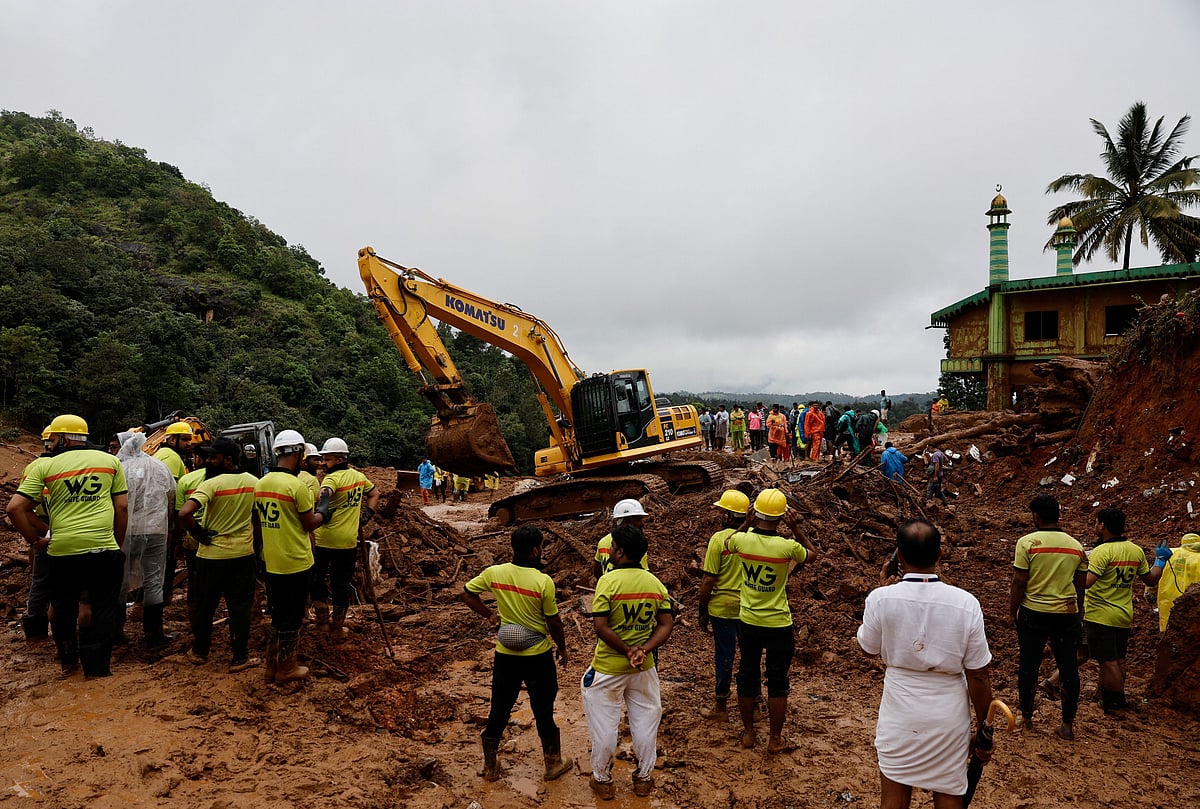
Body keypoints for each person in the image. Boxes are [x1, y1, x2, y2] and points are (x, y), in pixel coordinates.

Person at [857, 519, 993, 808]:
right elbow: (979, 675)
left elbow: (868, 649)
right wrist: (983, 728)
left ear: (899, 557)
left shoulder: (881, 599)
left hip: (900, 714)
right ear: (940, 554)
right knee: (949, 794)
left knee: (893, 798)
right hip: (948, 718)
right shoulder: (966, 603)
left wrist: (881, 594)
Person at [7, 414, 128, 677]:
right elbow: (122, 507)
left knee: (62, 609)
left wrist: (35, 541)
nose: (48, 444)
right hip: (103, 549)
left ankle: (69, 664)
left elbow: (15, 508)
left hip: (62, 552)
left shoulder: (44, 466)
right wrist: (115, 543)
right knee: (102, 609)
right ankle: (97, 670)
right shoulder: (110, 462)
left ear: (63, 438)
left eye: (51, 438)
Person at [461, 526, 573, 783]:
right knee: (543, 708)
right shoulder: (542, 581)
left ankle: (490, 767)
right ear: (535, 550)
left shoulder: (495, 573)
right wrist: (563, 648)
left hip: (506, 654)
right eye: (541, 548)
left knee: (499, 707)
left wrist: (489, 614)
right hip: (537, 656)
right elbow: (553, 621)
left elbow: (466, 593)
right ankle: (553, 764)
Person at [581, 524, 674, 800]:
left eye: (612, 547)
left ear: (619, 552)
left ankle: (603, 780)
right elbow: (666, 624)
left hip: (608, 667)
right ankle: (644, 778)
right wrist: (642, 650)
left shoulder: (607, 582)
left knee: (604, 727)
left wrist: (625, 650)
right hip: (643, 668)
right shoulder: (654, 583)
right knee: (646, 723)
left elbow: (601, 626)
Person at [726, 489, 816, 752]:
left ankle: (748, 734)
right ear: (782, 517)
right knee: (778, 681)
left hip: (749, 621)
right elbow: (811, 554)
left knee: (746, 676)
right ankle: (775, 739)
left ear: (757, 513)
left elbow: (728, 541)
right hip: (778, 623)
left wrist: (745, 522)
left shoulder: (743, 542)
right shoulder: (787, 547)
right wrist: (796, 528)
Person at [254, 429, 331, 684]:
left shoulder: (262, 483)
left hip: (273, 561)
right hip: (296, 561)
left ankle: (271, 666)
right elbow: (309, 524)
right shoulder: (297, 485)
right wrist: (323, 511)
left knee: (278, 614)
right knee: (293, 617)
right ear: (297, 453)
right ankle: (287, 668)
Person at [178, 438, 260, 671]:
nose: (207, 461)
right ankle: (240, 657)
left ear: (228, 459)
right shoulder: (253, 482)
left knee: (205, 606)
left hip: (211, 557)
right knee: (240, 607)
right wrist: (257, 547)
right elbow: (257, 518)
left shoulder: (211, 484)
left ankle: (200, 651)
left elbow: (185, 513)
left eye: (213, 457)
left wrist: (198, 532)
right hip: (243, 555)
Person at [1009, 494, 1086, 739]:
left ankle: (1026, 718)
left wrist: (1013, 610)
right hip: (1066, 614)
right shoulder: (1076, 547)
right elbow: (1080, 587)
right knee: (1069, 667)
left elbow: (1020, 581)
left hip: (1034, 613)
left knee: (1028, 665)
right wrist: (1077, 612)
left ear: (1037, 516)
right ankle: (1067, 724)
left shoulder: (1027, 543)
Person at [1083, 508, 1171, 714]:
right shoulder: (1135, 550)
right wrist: (1160, 561)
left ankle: (1116, 703)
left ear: (1102, 525)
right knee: (1118, 659)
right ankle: (1105, 698)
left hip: (1100, 614)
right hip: (1123, 614)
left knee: (1108, 662)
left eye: (1097, 522)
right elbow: (1151, 579)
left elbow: (1086, 583)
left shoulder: (1101, 552)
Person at [312, 437, 379, 639]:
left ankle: (322, 622)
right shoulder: (358, 477)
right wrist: (366, 516)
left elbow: (324, 493)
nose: (323, 463)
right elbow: (375, 493)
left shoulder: (331, 479)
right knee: (341, 584)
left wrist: (321, 510)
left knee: (318, 580)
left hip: (324, 541)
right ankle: (337, 627)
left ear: (340, 459)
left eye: (327, 459)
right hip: (347, 542)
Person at [115, 431, 178, 649]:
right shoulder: (160, 467)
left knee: (120, 581)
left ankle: (116, 632)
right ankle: (154, 634)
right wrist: (169, 529)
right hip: (155, 530)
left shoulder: (117, 467)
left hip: (124, 531)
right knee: (154, 580)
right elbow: (171, 499)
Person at [697, 489, 751, 719]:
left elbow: (709, 578)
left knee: (725, 656)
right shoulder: (753, 539)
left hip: (722, 608)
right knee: (750, 656)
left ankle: (721, 707)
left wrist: (702, 609)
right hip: (749, 608)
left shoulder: (719, 540)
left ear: (729, 516)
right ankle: (755, 705)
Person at [17, 426, 55, 641]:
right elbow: (23, 508)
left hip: (41, 521)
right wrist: (49, 532)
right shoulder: (47, 466)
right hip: (44, 520)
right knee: (45, 576)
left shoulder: (34, 465)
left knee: (41, 577)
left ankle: (36, 625)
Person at [593, 498, 650, 580]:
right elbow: (642, 575)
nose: (642, 523)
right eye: (638, 519)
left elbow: (597, 570)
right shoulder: (635, 543)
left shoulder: (603, 541)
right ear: (626, 521)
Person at [1157, 532, 1200, 631]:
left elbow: (1156, 573)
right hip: (1193, 607)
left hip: (1167, 601)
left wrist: (1150, 592)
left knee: (1168, 632)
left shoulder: (1169, 554)